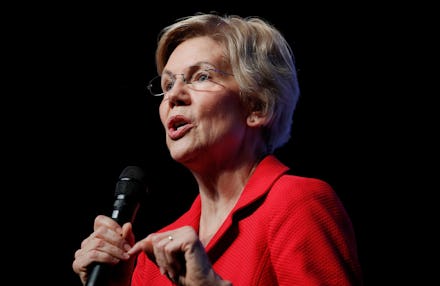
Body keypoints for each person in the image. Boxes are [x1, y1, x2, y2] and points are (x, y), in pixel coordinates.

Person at [72, 12, 363, 285]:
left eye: (201, 77)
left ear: (256, 106)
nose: (174, 95)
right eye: (168, 83)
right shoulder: (154, 253)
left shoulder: (297, 203)